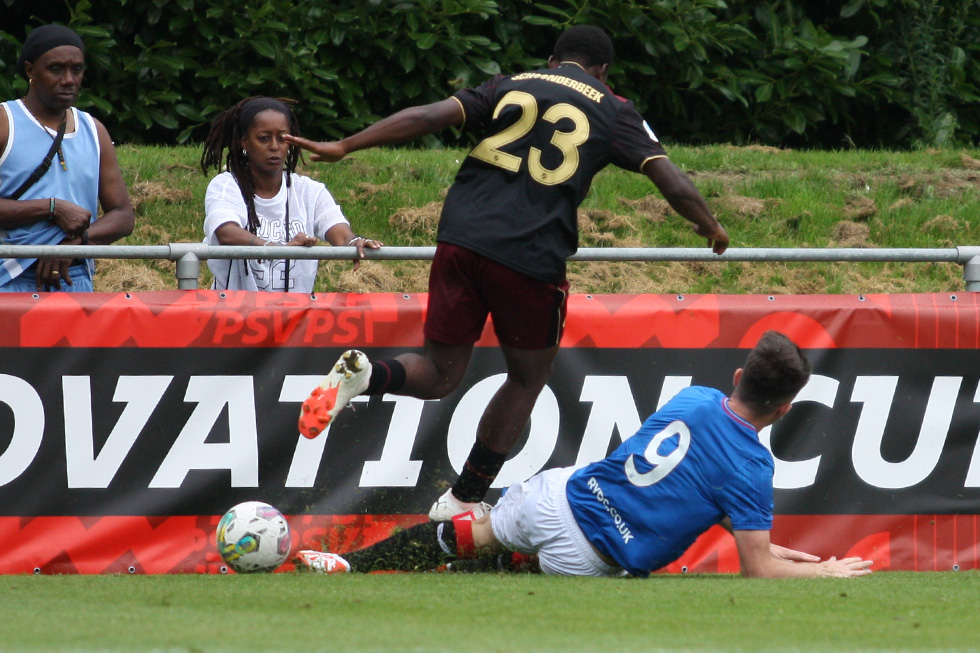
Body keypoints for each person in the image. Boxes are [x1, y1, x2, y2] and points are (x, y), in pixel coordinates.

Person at [289, 25, 729, 520]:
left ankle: (368, 375)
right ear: (602, 71)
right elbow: (666, 174)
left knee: (438, 372)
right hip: (530, 253)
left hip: (460, 237)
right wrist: (709, 224)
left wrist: (346, 145)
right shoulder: (613, 107)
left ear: (552, 58)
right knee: (527, 378)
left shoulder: (510, 83)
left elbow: (429, 115)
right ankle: (463, 498)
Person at [294, 331, 874, 579]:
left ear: (740, 375)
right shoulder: (752, 468)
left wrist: (760, 538)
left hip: (557, 494)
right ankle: (505, 564)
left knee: (477, 534)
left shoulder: (694, 397)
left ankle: (356, 565)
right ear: (786, 409)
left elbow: (695, 483)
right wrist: (829, 570)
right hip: (591, 554)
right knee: (524, 568)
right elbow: (756, 569)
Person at [0, 24, 134, 292]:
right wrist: (51, 208)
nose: (69, 79)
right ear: (30, 71)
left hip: (74, 277)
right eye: (56, 69)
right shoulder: (6, 122)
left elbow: (123, 215)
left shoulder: (94, 130)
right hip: (10, 278)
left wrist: (75, 244)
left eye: (77, 69)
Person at [200, 96, 382, 292]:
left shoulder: (310, 191)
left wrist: (355, 242)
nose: (274, 146)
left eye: (282, 138)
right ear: (244, 142)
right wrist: (278, 248)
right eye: (263, 138)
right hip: (234, 316)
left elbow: (340, 233)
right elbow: (226, 232)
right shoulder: (226, 185)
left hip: (295, 318)